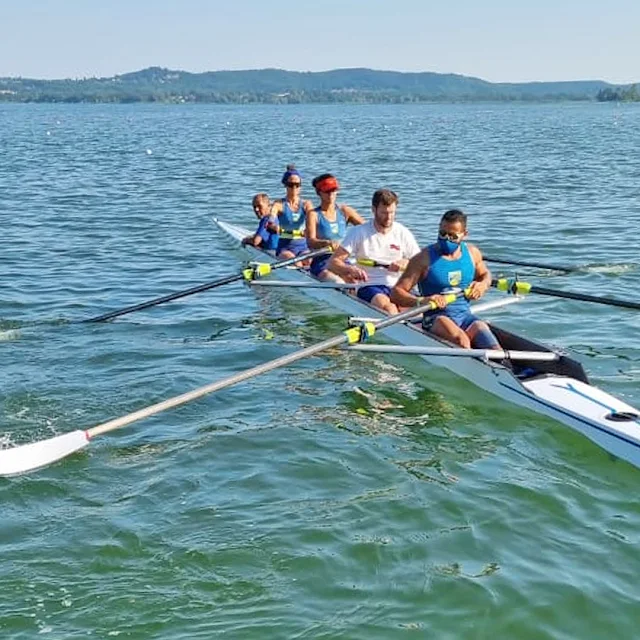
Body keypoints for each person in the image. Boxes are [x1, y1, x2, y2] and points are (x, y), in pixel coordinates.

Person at [391, 209, 500, 349]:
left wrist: (482, 285)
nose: (446, 239)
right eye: (442, 234)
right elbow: (396, 293)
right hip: (435, 318)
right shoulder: (422, 259)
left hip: (465, 315)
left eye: (452, 236)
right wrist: (422, 300)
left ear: (464, 235)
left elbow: (485, 275)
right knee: (462, 341)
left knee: (492, 345)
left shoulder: (473, 253)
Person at [327, 188, 420, 314]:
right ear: (373, 210)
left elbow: (420, 263)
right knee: (390, 309)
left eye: (392, 213)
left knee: (418, 311)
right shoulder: (359, 232)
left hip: (398, 285)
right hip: (370, 284)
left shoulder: (402, 232)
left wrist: (406, 262)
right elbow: (333, 263)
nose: (389, 217)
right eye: (384, 213)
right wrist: (351, 270)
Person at [306, 173, 365, 281]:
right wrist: (327, 243)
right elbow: (310, 241)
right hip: (321, 262)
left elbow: (368, 228)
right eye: (327, 191)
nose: (331, 194)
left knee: (357, 281)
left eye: (334, 190)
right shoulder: (313, 214)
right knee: (338, 282)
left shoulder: (345, 211)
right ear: (319, 193)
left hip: (341, 260)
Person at [271, 164, 312, 260]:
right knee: (294, 260)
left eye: (297, 185)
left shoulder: (307, 204)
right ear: (285, 185)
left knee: (308, 261)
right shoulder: (278, 204)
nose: (294, 188)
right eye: (291, 185)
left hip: (303, 246)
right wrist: (272, 225)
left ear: (300, 186)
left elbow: (314, 220)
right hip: (285, 247)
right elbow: (271, 219)